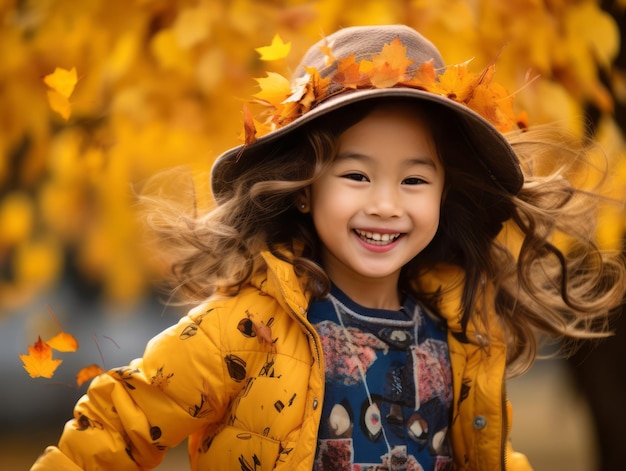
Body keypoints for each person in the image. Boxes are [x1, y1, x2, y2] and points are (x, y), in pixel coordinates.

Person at [31, 24, 625, 471]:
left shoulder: (459, 332)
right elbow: (120, 422)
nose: (387, 204)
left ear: (445, 194)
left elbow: (485, 450)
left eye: (414, 180)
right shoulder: (245, 326)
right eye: (357, 176)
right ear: (304, 191)